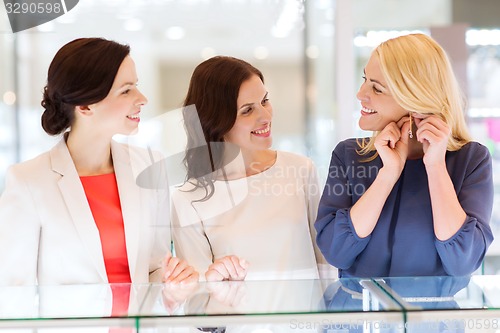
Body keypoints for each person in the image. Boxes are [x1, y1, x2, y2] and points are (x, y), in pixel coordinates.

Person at [0, 37, 198, 286]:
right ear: (84, 106)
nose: (142, 98)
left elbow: (155, 269)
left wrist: (174, 289)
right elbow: (13, 289)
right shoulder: (29, 181)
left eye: (136, 85)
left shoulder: (149, 165)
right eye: (126, 90)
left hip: (137, 326)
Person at [315, 33, 494, 278]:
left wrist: (435, 167)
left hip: (434, 316)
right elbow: (336, 252)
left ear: (417, 100)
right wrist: (387, 175)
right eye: (365, 79)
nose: (360, 94)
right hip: (357, 314)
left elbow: (462, 261)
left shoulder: (471, 160)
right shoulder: (348, 155)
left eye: (377, 88)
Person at [171, 56, 332, 281]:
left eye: (265, 101)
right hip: (238, 315)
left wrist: (330, 317)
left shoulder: (299, 170)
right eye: (247, 110)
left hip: (306, 315)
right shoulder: (188, 200)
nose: (265, 116)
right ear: (216, 121)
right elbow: (197, 295)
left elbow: (325, 264)